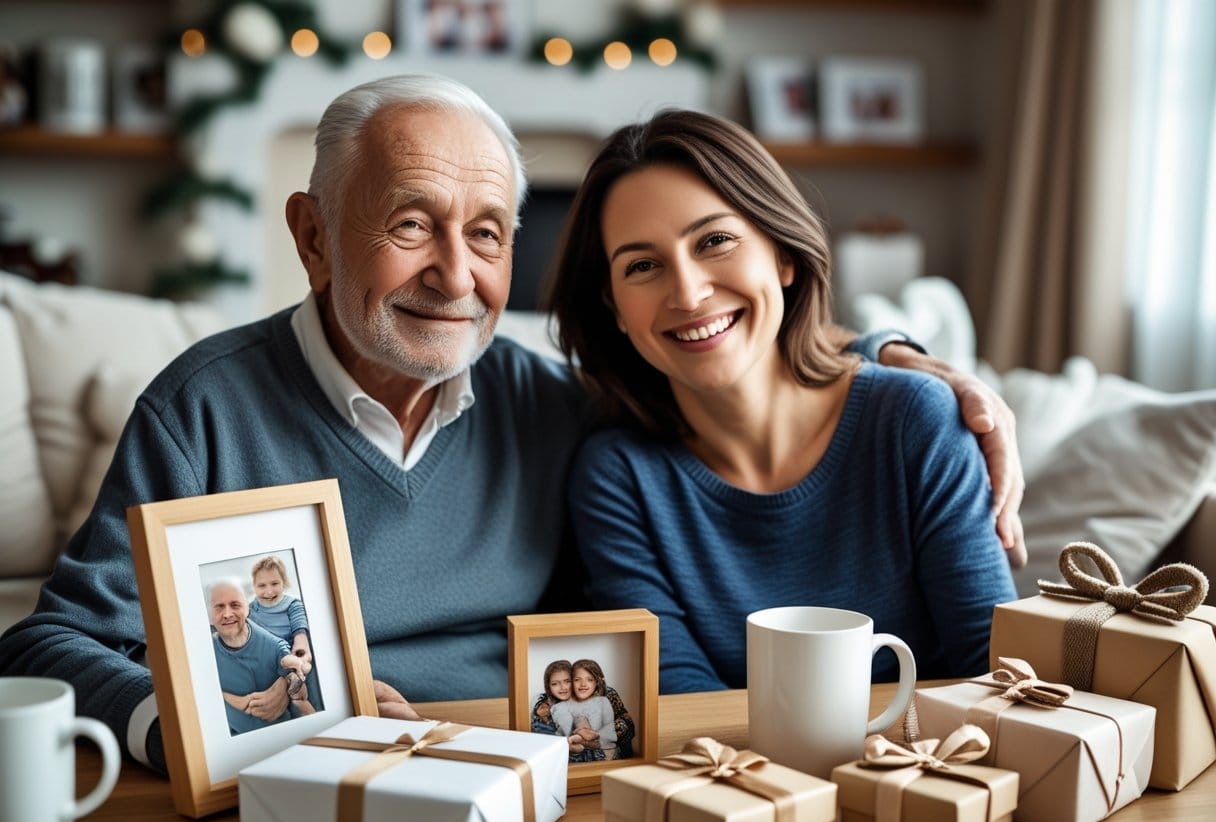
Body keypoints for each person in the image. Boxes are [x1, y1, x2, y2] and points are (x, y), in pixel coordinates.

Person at [0, 73, 1022, 775]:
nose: (455, 275)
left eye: (485, 234)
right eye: (409, 223)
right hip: (289, 776)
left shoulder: (556, 408)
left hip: (528, 777)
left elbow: (733, 355)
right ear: (313, 237)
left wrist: (900, 360)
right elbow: (47, 642)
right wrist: (211, 728)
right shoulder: (206, 408)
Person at [546, 109, 1019, 693]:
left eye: (715, 241)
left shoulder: (916, 421)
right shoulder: (618, 477)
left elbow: (997, 676)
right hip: (728, 781)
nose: (689, 292)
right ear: (614, 308)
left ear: (784, 254)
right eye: (642, 266)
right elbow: (681, 704)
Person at [207, 579, 313, 735]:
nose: (227, 614)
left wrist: (293, 680)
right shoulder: (205, 651)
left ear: (247, 609)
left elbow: (298, 689)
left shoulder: (274, 647)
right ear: (209, 615)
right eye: (219, 607)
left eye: (235, 605)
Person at [247, 555, 323, 711]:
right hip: (262, 658)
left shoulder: (292, 605)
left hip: (288, 654)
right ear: (254, 587)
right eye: (262, 586)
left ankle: (297, 680)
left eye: (275, 583)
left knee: (296, 676)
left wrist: (302, 656)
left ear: (284, 582)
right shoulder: (250, 609)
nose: (269, 591)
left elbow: (300, 635)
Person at [531, 658, 635, 761]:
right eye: (555, 684)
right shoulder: (546, 707)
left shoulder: (605, 695)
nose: (563, 687)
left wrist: (587, 735)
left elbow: (625, 726)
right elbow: (545, 742)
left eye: (567, 681)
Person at [549, 659, 619, 761]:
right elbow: (559, 733)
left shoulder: (602, 702)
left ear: (597, 683)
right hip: (573, 749)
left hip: (603, 750)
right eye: (577, 679)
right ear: (571, 682)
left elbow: (609, 734)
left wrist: (585, 737)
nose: (583, 684)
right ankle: (576, 741)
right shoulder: (562, 706)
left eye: (589, 680)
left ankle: (579, 739)